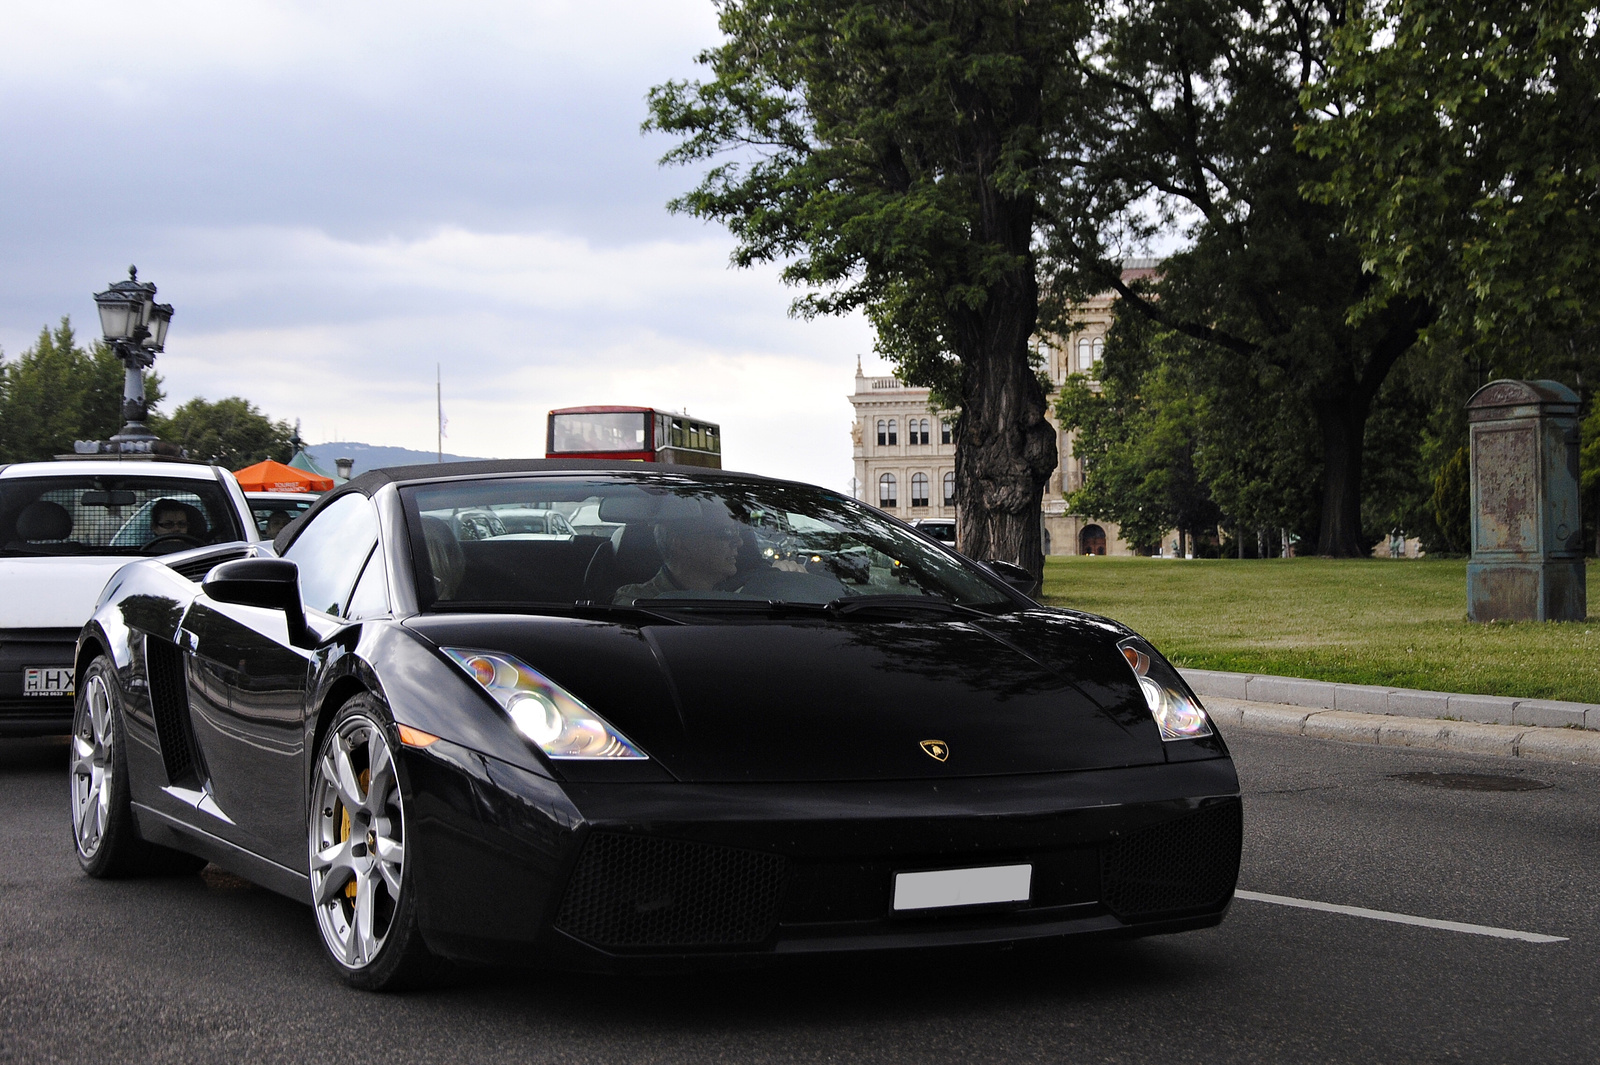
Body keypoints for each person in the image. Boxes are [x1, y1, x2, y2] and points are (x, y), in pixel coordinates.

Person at [614, 505, 744, 603]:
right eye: (726, 532)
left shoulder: (750, 598)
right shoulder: (636, 604)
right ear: (680, 544)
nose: (739, 542)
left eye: (736, 531)